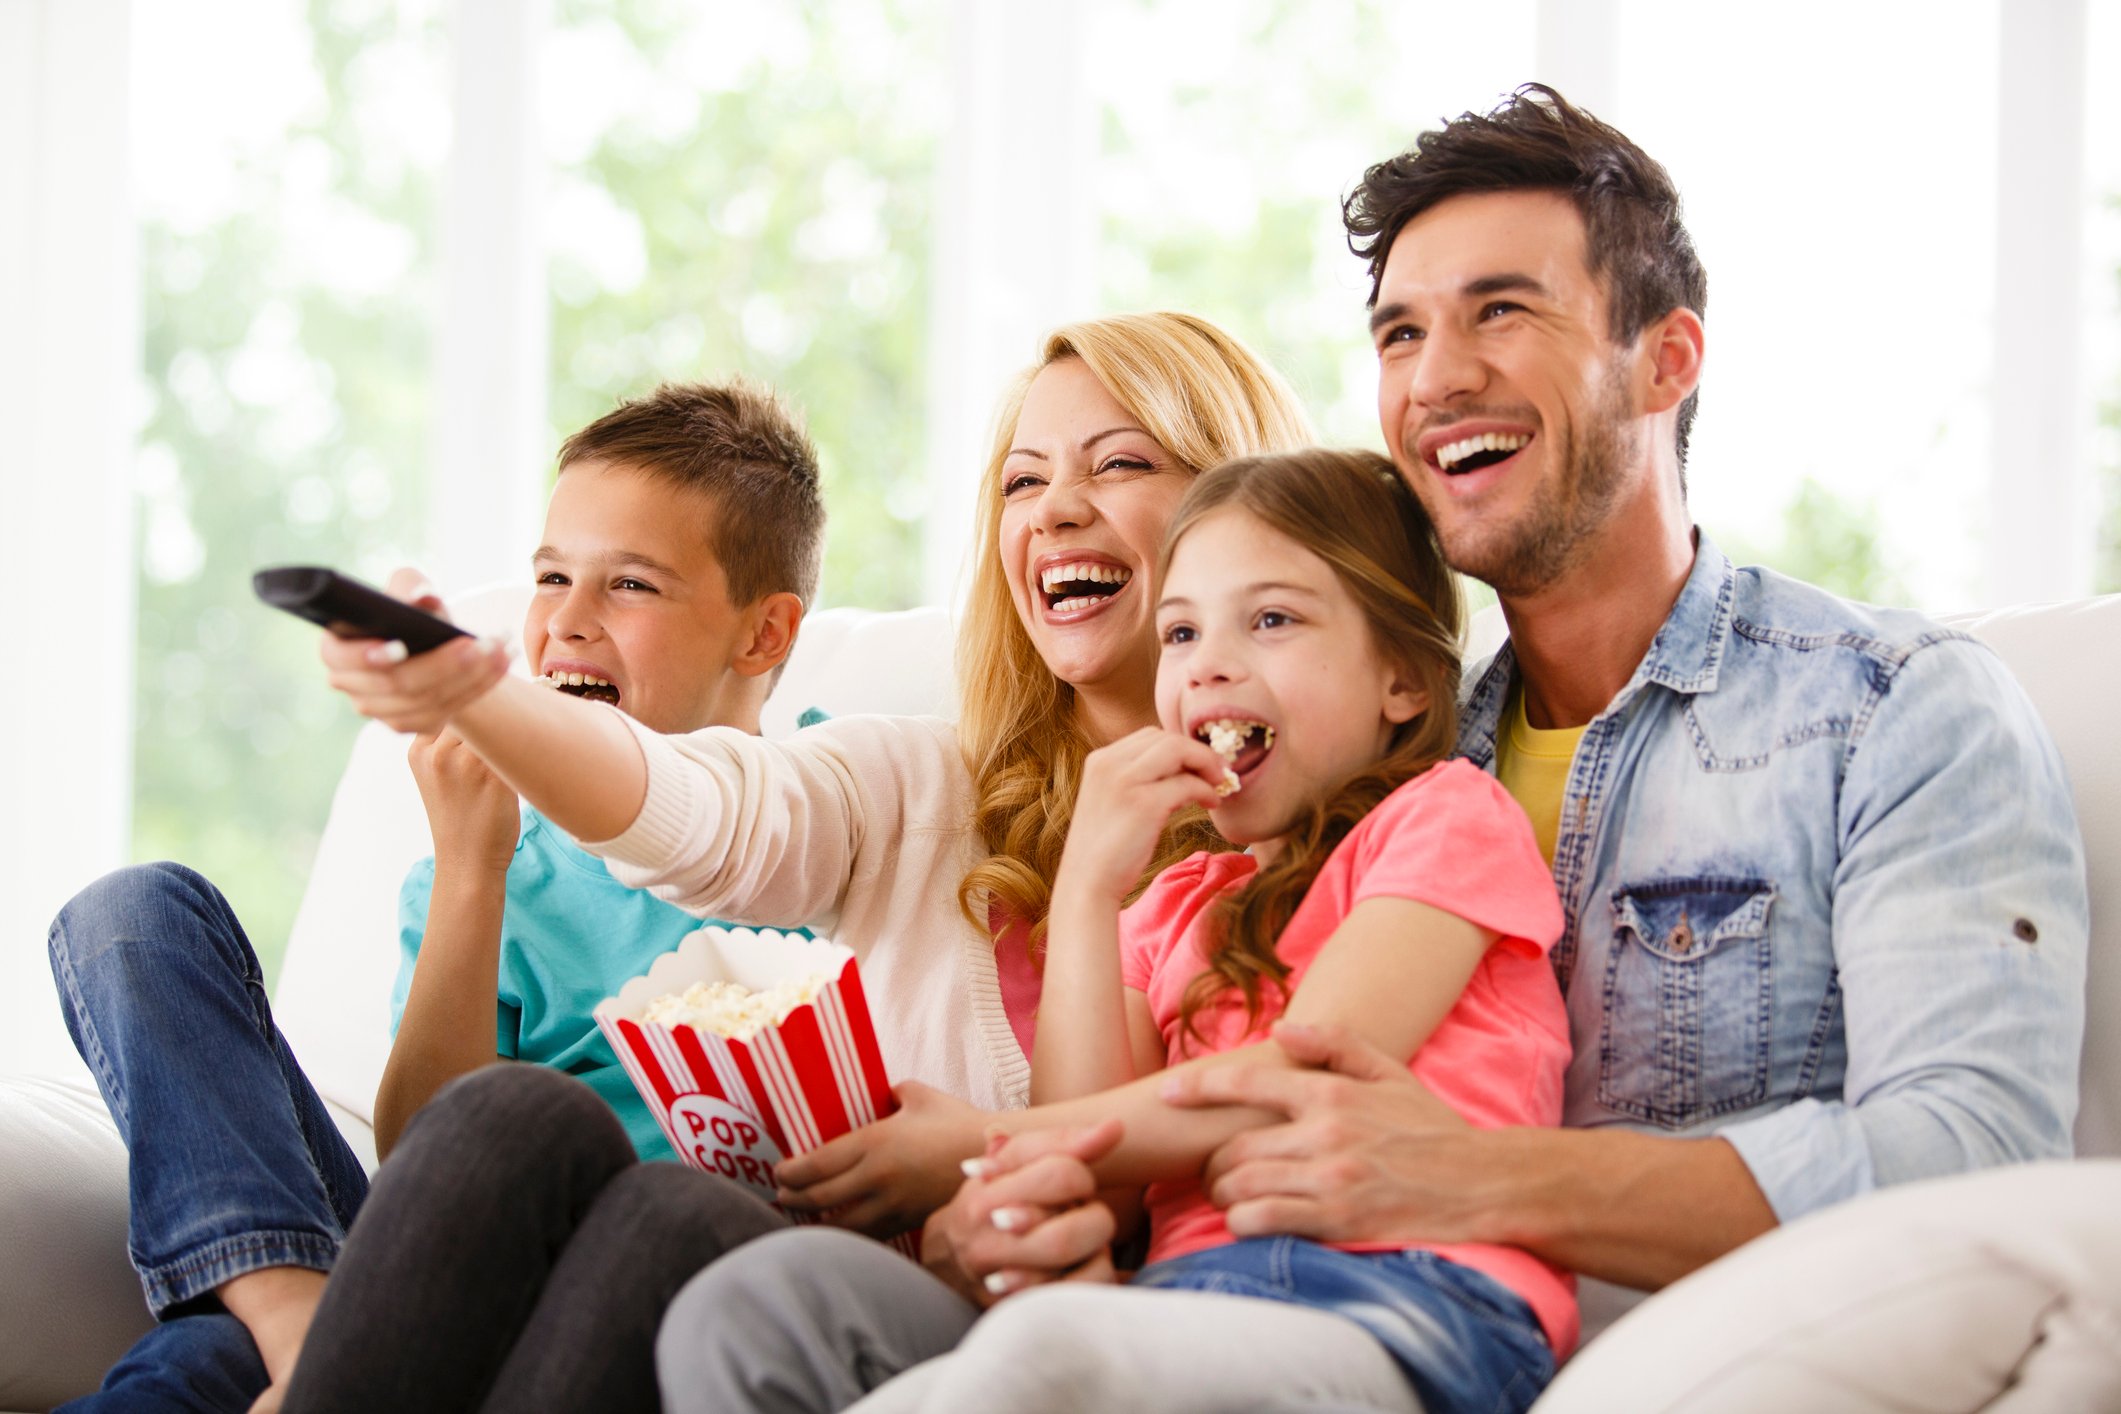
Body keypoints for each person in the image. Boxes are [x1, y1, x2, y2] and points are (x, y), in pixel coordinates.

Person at [934, 83, 2092, 1339]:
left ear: (1668, 358)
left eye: (1501, 310)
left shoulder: (1891, 714)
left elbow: (1970, 1161)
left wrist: (1478, 1176)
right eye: (1398, 335)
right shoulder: (1358, 761)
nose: (1437, 377)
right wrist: (1006, 1196)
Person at [271, 312, 1315, 1414]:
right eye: (1021, 481)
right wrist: (480, 693)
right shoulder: (918, 789)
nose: (1056, 507)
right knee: (514, 1112)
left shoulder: (1324, 849)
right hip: (845, 1282)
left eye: (1120, 464)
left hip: (999, 1319)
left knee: (677, 1212)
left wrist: (987, 1158)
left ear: (1241, 511)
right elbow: (703, 810)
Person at [659, 448, 1579, 1414]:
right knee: (756, 1306)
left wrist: (987, 1141)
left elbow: (1305, 1086)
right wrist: (1092, 885)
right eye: (1180, 632)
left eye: (1270, 620)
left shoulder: (1444, 818)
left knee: (1047, 1352)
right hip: (1171, 1307)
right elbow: (1103, 1191)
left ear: (1403, 681)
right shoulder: (1175, 901)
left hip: (1402, 1303)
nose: (1210, 661)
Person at [43, 378, 828, 1414]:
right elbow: (425, 1156)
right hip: (425, 1257)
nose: (568, 623)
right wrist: (473, 867)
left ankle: (307, 1357)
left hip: (618, 1287)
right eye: (552, 576)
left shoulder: (835, 815)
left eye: (631, 584)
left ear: (765, 635)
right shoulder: (505, 846)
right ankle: (297, 1322)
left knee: (196, 1367)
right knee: (133, 917)